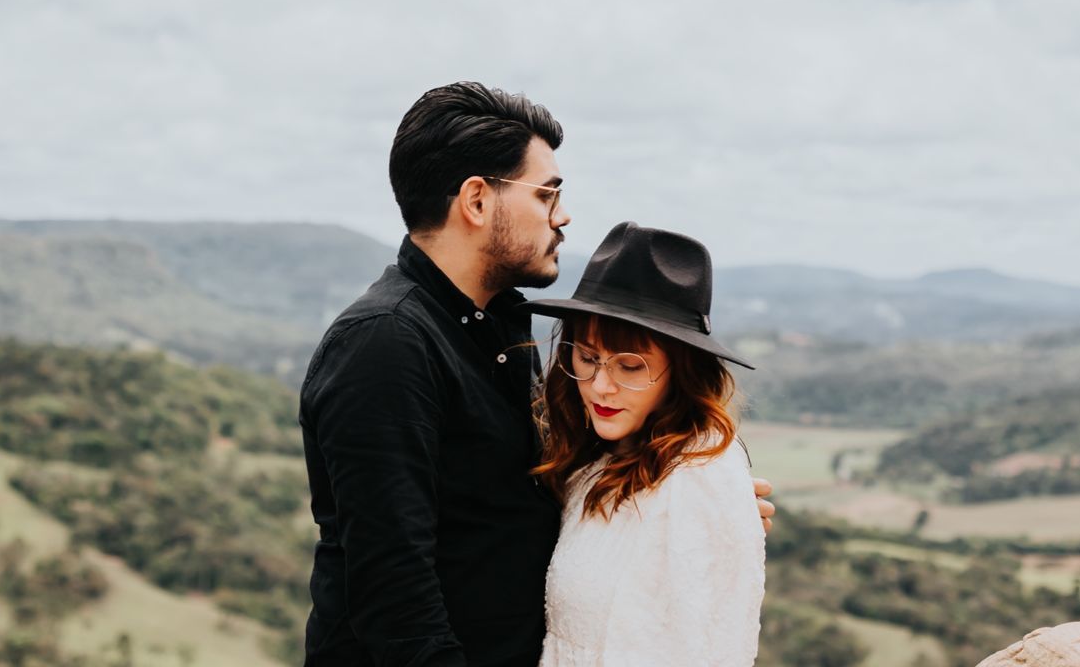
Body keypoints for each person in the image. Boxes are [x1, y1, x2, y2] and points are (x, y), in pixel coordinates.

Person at [300, 83, 774, 667]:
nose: (564, 215)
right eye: (548, 194)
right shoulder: (385, 344)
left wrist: (681, 506)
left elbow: (514, 503)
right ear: (477, 201)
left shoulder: (501, 329)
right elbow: (394, 596)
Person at [525, 222, 765, 667]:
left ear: (682, 370)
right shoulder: (594, 458)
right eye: (589, 357)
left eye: (630, 367)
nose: (601, 387)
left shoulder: (699, 480)